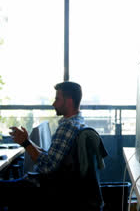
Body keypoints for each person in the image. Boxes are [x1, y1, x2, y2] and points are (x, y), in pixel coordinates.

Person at [0, 82, 93, 210]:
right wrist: (27, 141)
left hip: (40, 189)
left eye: (57, 99)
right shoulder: (77, 122)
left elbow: (47, 166)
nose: (53, 104)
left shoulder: (67, 127)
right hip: (47, 187)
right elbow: (52, 157)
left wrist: (26, 144)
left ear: (69, 101)